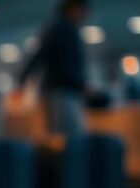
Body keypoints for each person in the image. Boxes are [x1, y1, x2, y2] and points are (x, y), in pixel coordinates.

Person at [17, 0, 90, 135]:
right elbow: (60, 62)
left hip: (60, 90)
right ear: (73, 8)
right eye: (83, 10)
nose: (85, 15)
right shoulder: (63, 29)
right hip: (62, 91)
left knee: (63, 134)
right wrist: (81, 84)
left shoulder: (58, 28)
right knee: (69, 136)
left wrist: (22, 78)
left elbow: (38, 56)